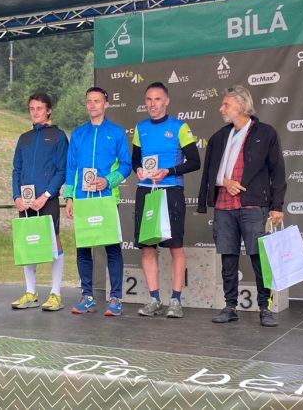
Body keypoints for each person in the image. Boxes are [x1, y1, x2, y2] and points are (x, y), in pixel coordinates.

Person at [197, 85, 286, 327]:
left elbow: (278, 171)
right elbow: (210, 173)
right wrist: (224, 182)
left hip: (254, 205)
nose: (221, 109)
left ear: (242, 105)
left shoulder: (265, 133)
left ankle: (265, 308)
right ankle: (230, 306)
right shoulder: (219, 137)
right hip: (224, 206)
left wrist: (277, 206)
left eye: (226, 104)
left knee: (259, 257)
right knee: (228, 257)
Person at [133, 82, 200, 318]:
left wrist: (168, 171)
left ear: (167, 101)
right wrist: (138, 170)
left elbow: (195, 161)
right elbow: (135, 160)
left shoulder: (179, 127)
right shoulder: (140, 128)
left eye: (157, 99)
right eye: (149, 99)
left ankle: (175, 300)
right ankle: (154, 299)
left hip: (170, 190)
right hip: (146, 190)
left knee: (175, 246)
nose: (153, 104)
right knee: (147, 246)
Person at [64, 87, 131, 316]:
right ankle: (87, 296)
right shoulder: (78, 134)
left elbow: (126, 165)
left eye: (97, 101)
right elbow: (71, 167)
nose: (92, 105)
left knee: (112, 247)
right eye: (89, 101)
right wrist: (69, 197)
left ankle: (116, 298)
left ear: (106, 104)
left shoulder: (116, 132)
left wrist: (108, 181)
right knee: (83, 248)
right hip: (83, 199)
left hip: (106, 198)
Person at [11, 92, 69, 311]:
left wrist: (46, 195)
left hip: (47, 200)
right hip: (26, 202)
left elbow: (62, 170)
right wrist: (16, 196)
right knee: (28, 242)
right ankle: (30, 292)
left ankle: (55, 294)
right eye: (32, 109)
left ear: (49, 110)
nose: (35, 112)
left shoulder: (58, 136)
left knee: (54, 242)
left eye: (39, 108)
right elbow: (16, 169)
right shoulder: (24, 138)